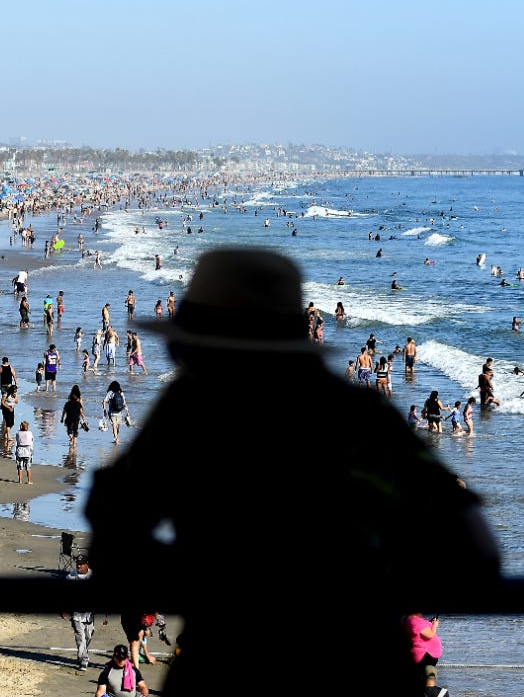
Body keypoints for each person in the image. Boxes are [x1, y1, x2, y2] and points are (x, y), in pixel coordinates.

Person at [84, 248, 501, 697]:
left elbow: (112, 526)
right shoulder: (365, 419)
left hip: (226, 664)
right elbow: (475, 552)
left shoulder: (188, 416)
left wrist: (211, 577)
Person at [63, 557, 95, 670]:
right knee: (80, 637)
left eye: (81, 564)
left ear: (87, 565)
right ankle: (83, 660)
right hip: (76, 613)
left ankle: (81, 653)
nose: (78, 566)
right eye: (77, 564)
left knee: (88, 636)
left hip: (89, 614)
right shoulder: (71, 577)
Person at [406, 612, 442, 677]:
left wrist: (430, 623)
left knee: (425, 674)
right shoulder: (414, 621)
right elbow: (430, 635)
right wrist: (435, 625)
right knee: (424, 674)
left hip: (429, 654)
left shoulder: (418, 621)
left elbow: (422, 630)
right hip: (425, 654)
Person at [61, 384, 86, 450]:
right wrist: (83, 418)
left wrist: (62, 418)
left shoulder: (68, 400)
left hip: (69, 417)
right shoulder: (79, 398)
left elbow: (64, 410)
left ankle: (71, 439)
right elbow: (81, 407)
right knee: (75, 430)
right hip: (76, 417)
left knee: (69, 430)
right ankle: (74, 443)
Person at [14, 420, 34, 485]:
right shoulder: (30, 433)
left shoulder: (18, 433)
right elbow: (32, 441)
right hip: (28, 451)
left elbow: (17, 441)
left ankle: (20, 480)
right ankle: (29, 481)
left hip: (20, 451)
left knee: (20, 467)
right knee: (28, 467)